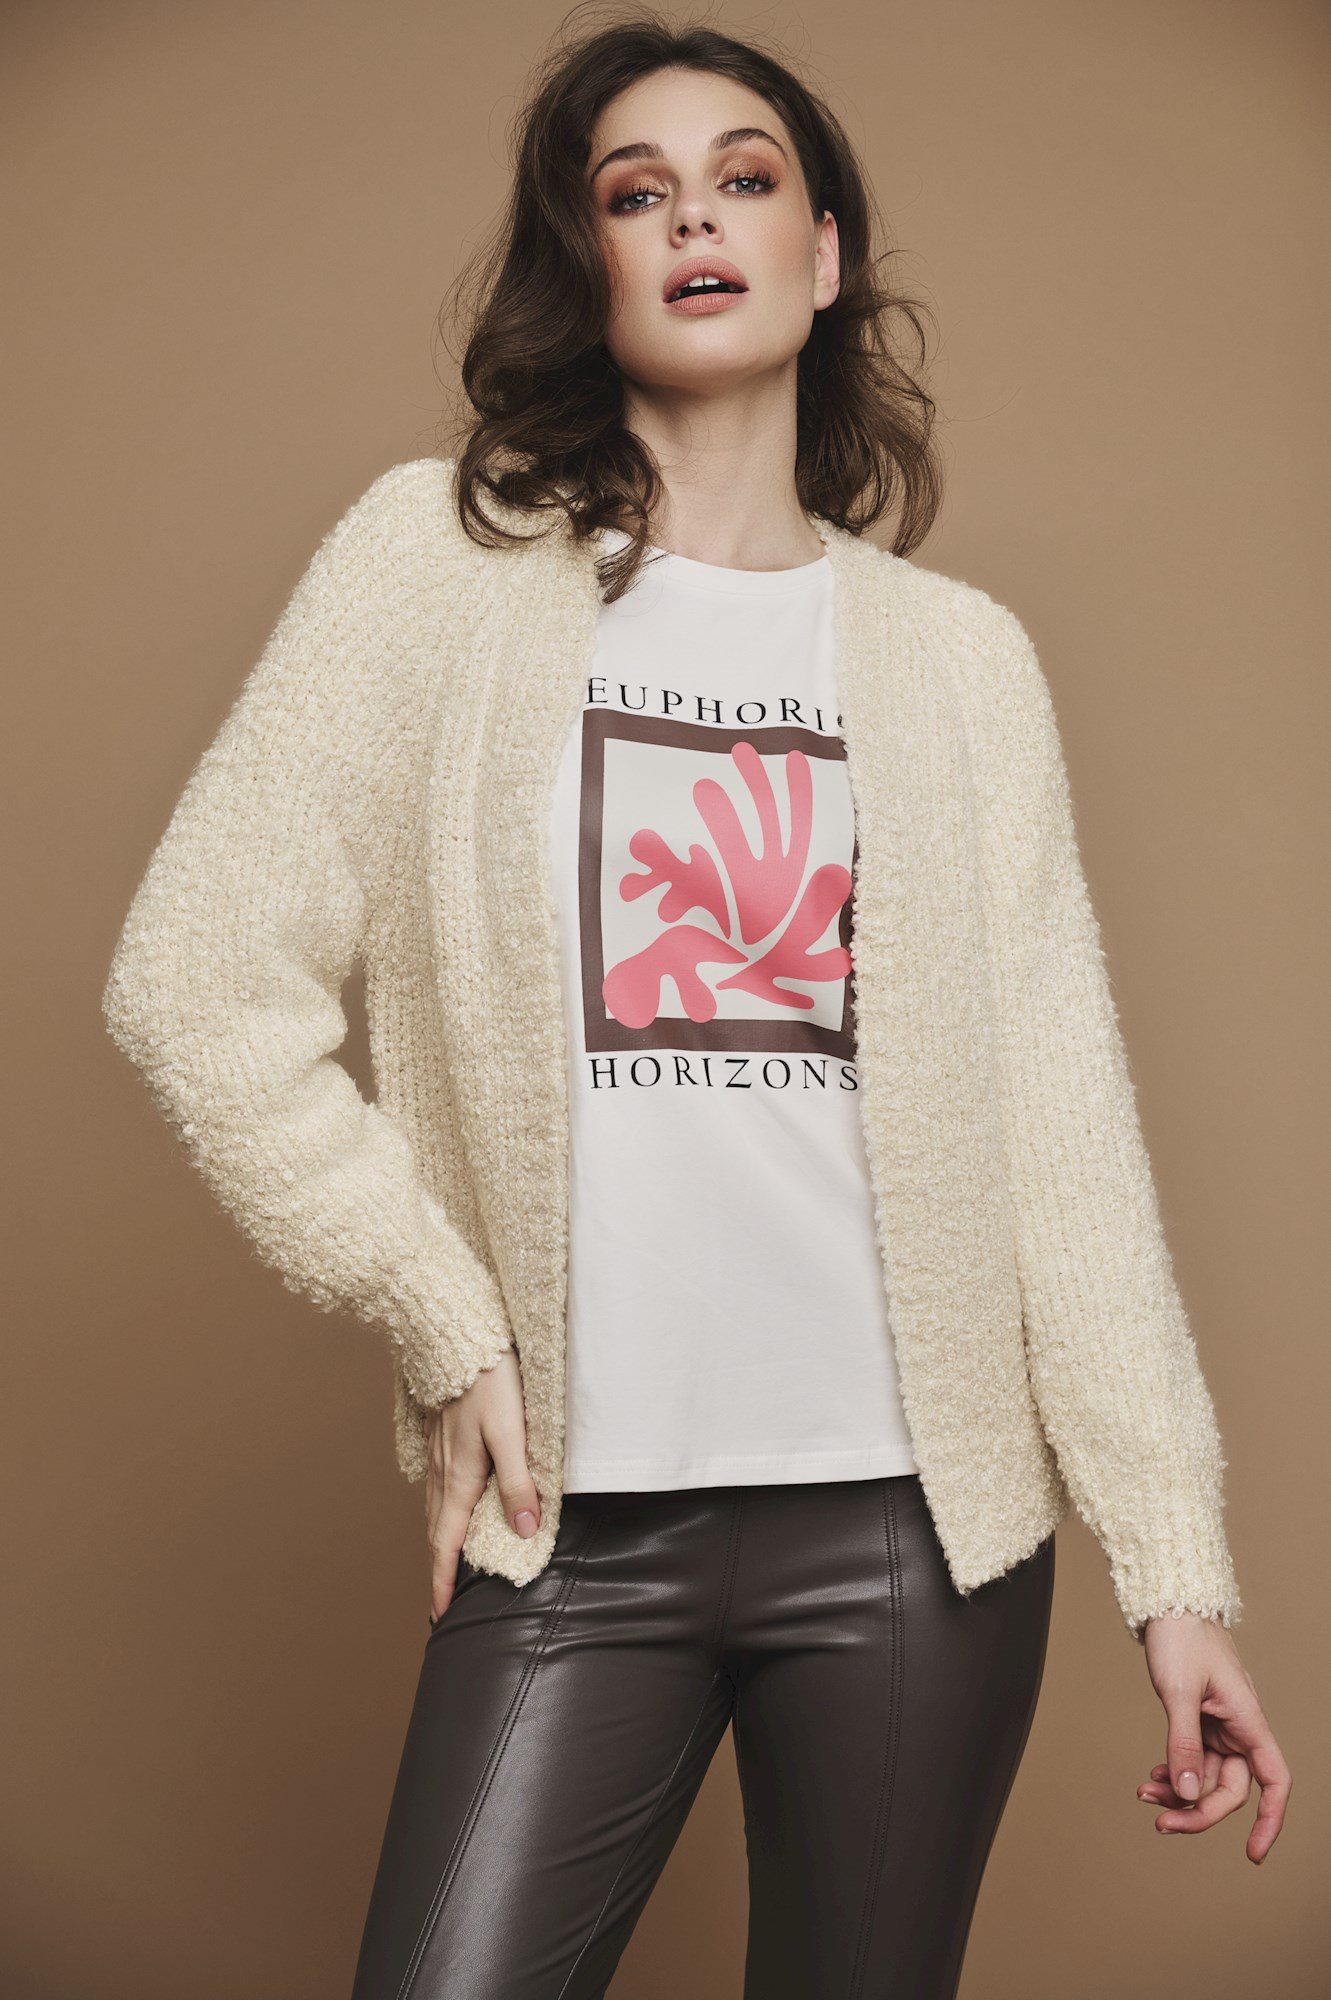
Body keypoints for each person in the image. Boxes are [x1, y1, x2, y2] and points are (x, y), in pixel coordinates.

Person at [100, 17, 1291, 1998]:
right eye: (635, 193)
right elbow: (195, 978)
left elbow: (1063, 1136)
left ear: (824, 254)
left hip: (916, 1537)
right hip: (575, 1524)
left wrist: (1175, 1572)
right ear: (587, 265)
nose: (695, 221)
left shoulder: (959, 664)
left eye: (744, 180)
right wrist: (436, 1305)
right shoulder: (436, 566)